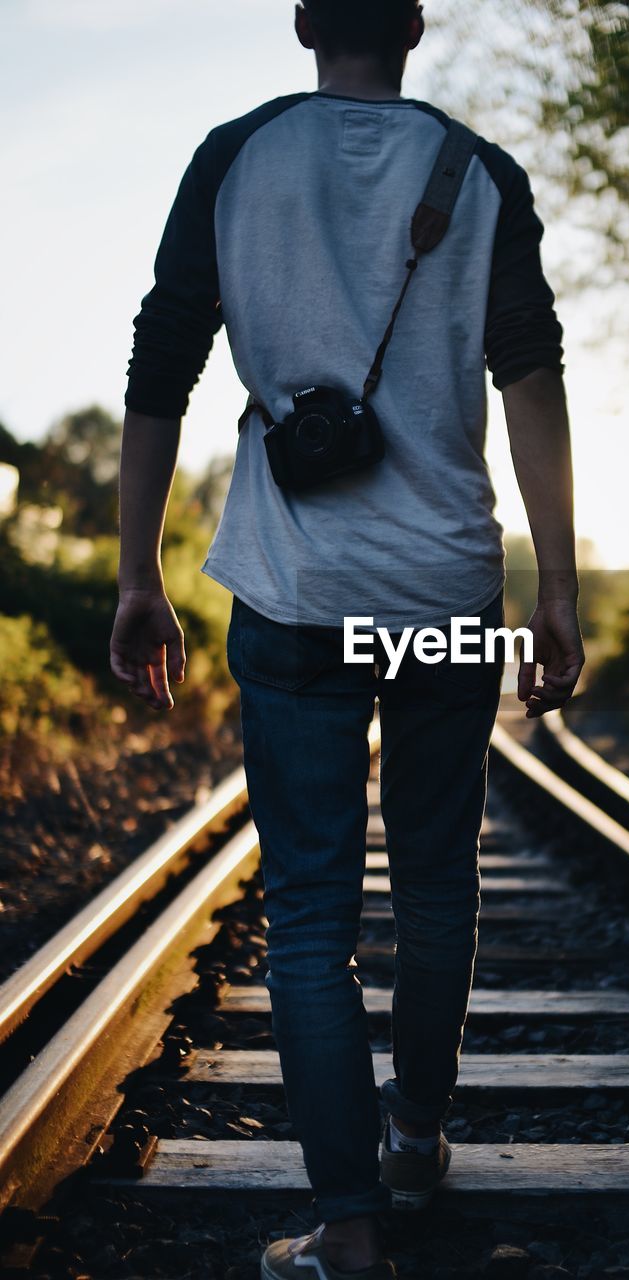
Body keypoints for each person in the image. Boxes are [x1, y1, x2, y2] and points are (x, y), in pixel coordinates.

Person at [110, 2, 584, 1276]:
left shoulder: (235, 156)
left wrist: (136, 571)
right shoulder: (478, 171)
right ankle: (417, 1141)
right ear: (415, 31)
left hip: (295, 593)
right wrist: (558, 591)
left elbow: (163, 364)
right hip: (438, 596)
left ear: (308, 23)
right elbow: (529, 375)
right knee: (438, 884)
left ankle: (349, 1226)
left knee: (310, 914)